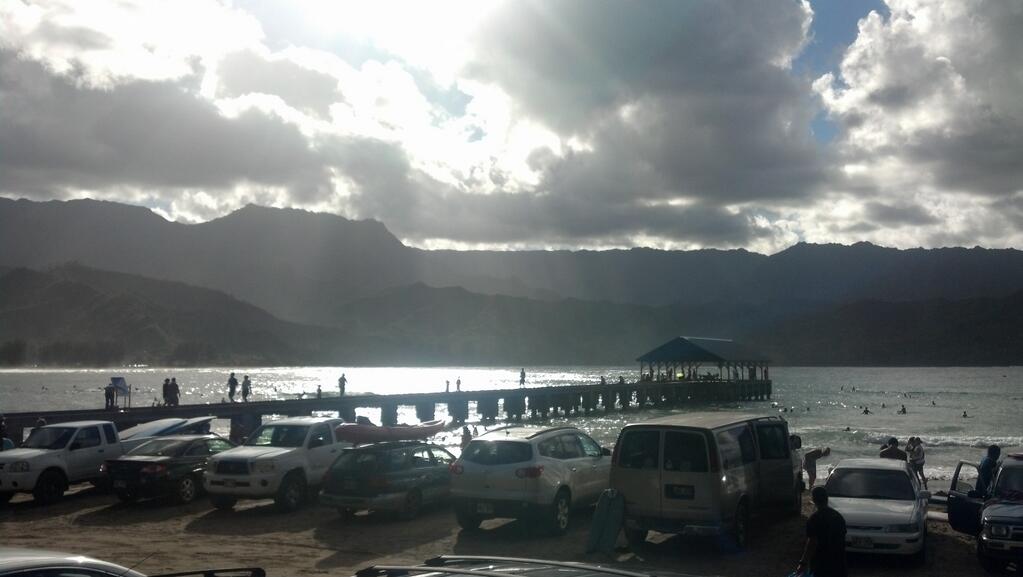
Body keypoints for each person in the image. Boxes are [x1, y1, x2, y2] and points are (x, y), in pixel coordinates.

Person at [797, 486, 847, 577]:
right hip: (838, 562)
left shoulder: (814, 519)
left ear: (814, 500)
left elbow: (812, 542)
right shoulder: (838, 516)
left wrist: (803, 563)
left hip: (821, 563)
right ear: (827, 499)